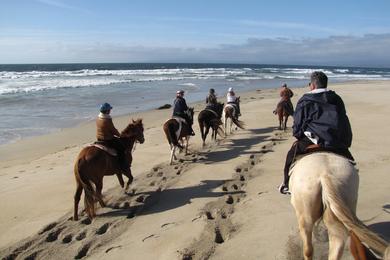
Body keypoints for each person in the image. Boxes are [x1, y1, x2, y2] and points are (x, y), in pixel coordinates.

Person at [279, 71, 354, 194]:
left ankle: (286, 184)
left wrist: (298, 135)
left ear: (312, 85)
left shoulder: (305, 100)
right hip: (335, 140)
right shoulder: (336, 99)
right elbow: (343, 120)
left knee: (290, 156)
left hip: (312, 140)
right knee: (351, 161)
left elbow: (298, 124)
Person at [96, 103, 129, 172]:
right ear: (107, 111)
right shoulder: (107, 119)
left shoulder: (98, 117)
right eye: (109, 109)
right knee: (121, 149)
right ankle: (122, 166)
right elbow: (113, 130)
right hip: (107, 139)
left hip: (99, 138)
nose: (110, 111)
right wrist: (120, 135)